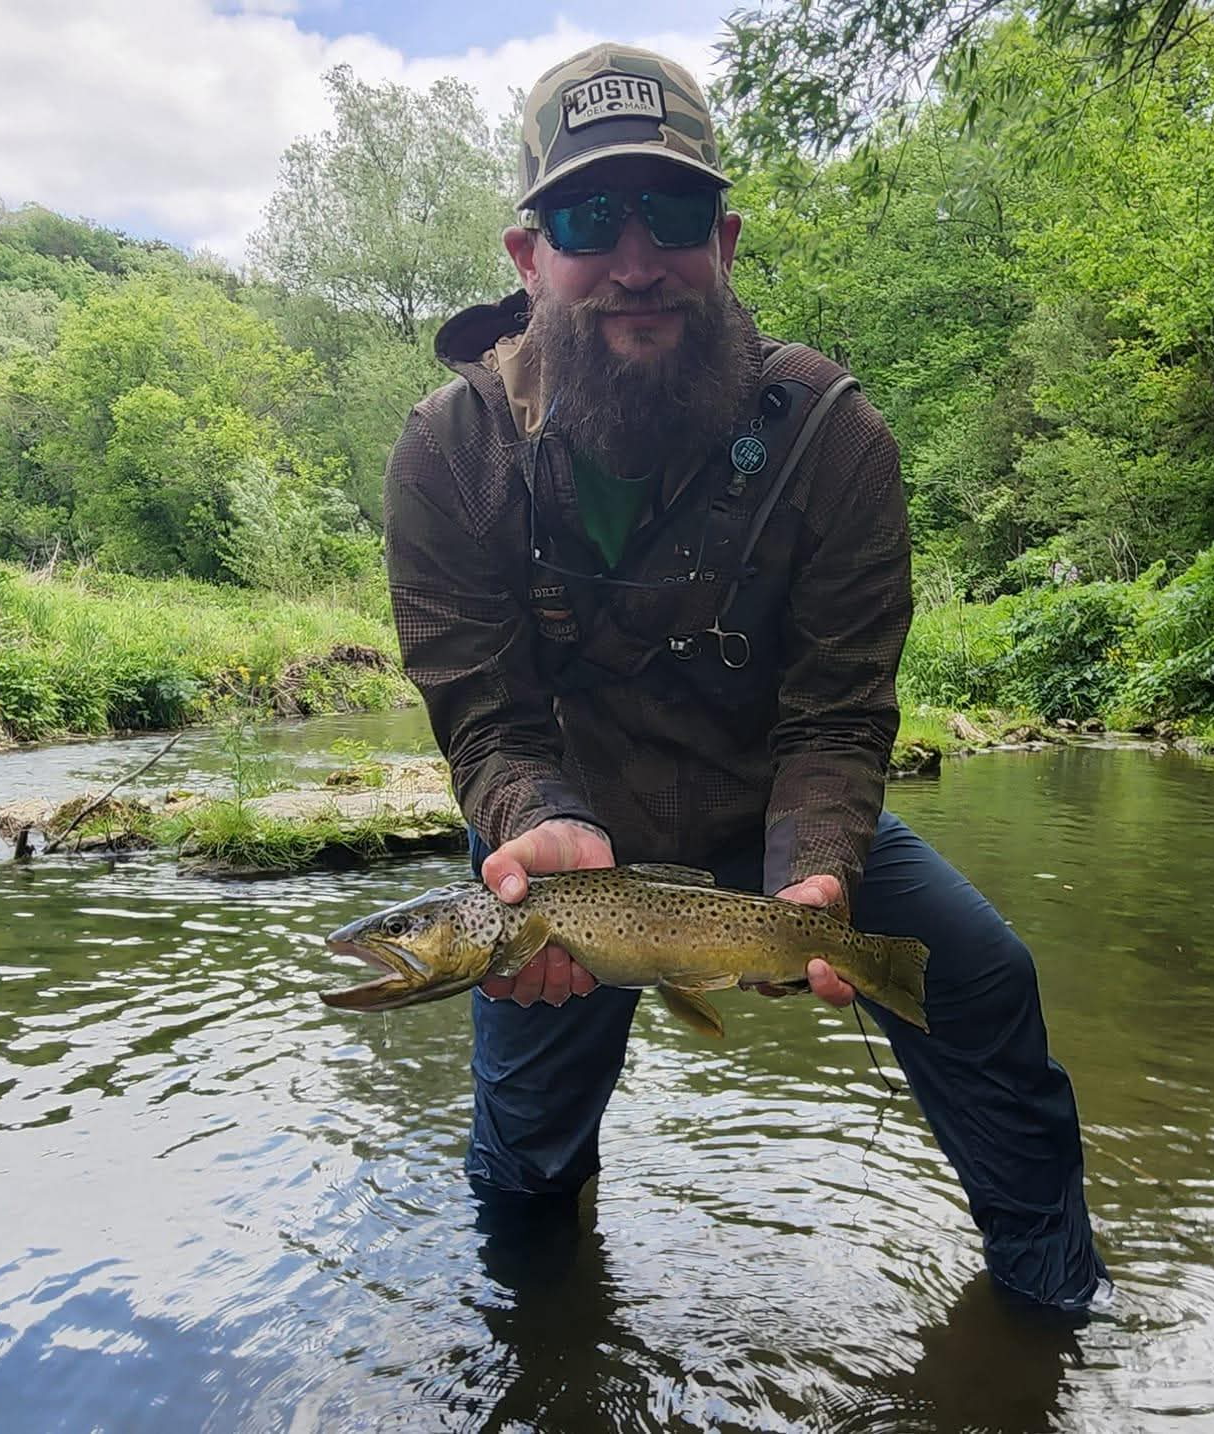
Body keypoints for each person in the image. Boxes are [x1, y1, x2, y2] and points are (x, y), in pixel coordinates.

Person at [382, 43, 1111, 1313]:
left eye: (667, 212)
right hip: (563, 862)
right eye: (588, 216)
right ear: (527, 254)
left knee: (984, 978)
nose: (634, 259)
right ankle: (541, 1337)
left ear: (720, 241)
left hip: (771, 806)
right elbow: (484, 711)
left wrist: (816, 873)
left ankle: (1056, 1302)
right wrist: (537, 820)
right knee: (523, 1138)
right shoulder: (451, 455)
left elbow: (838, 715)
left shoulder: (832, 440)